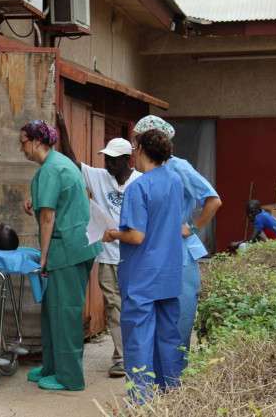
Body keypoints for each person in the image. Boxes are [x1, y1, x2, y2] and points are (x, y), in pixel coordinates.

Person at [55, 111, 141, 378]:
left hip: (134, 257)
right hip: (107, 258)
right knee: (114, 308)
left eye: (113, 161)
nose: (108, 165)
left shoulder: (141, 181)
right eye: (106, 159)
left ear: (127, 160)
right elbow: (72, 161)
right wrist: (63, 129)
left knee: (135, 307)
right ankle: (121, 358)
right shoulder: (100, 176)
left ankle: (139, 355)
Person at [19, 119, 101, 391]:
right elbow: (59, 201)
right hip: (75, 246)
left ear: (37, 142)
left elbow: (47, 218)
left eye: (23, 142)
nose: (21, 148)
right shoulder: (59, 163)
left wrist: (42, 258)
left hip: (67, 250)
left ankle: (70, 378)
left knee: (64, 313)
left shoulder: (51, 170)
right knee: (52, 312)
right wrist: (37, 198)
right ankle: (53, 366)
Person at [104, 129, 185, 401]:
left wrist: (113, 233)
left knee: (138, 342)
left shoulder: (138, 186)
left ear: (140, 150)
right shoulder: (175, 181)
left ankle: (141, 403)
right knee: (169, 340)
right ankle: (172, 397)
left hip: (142, 278)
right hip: (169, 274)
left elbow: (136, 236)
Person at [132, 116, 222, 357]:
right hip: (160, 255)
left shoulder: (178, 167)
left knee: (177, 326)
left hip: (180, 256)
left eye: (136, 142)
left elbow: (213, 200)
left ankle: (175, 383)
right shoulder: (150, 171)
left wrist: (192, 227)